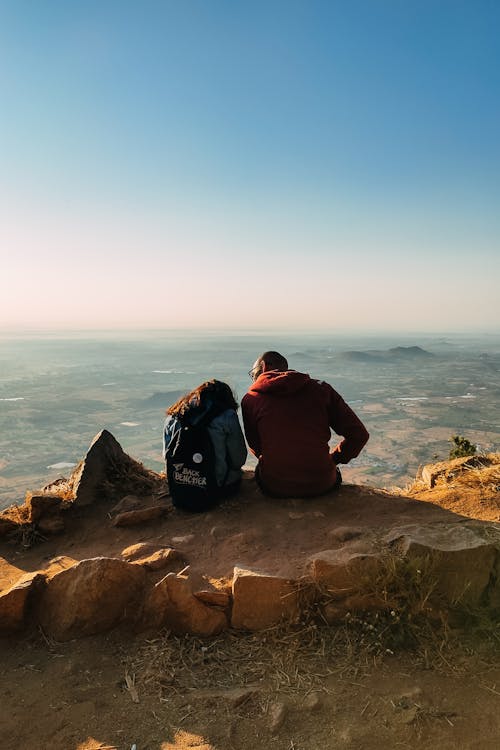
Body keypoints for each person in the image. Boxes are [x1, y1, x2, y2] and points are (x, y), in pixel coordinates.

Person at [242, 351, 369, 498]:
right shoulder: (322, 390)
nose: (254, 379)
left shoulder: (251, 400)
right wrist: (334, 459)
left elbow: (256, 447)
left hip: (275, 486)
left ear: (263, 367)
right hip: (322, 483)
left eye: (254, 374)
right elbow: (359, 435)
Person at [163, 379, 247, 511]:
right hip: (218, 488)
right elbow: (238, 459)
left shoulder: (175, 415)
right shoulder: (227, 416)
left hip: (179, 489)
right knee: (236, 474)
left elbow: (167, 455)